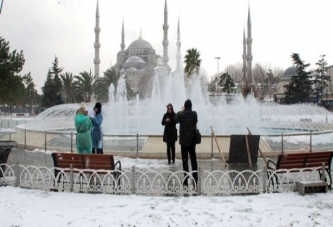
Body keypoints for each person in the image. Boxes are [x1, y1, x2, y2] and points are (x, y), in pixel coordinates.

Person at [176, 99, 198, 185]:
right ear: (191, 106)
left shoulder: (182, 115)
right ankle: (195, 178)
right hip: (192, 142)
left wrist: (181, 111)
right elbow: (195, 122)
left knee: (185, 161)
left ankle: (186, 179)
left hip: (184, 142)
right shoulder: (194, 114)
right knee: (193, 160)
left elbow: (175, 119)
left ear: (185, 106)